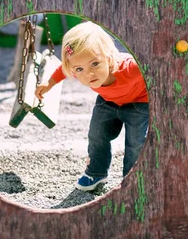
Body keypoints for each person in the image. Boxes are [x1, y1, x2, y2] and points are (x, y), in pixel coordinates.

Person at [35, 21, 149, 191]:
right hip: (107, 101)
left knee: (136, 143)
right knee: (97, 135)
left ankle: (132, 179)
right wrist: (49, 84)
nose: (88, 73)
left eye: (95, 64)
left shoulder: (131, 69)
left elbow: (155, 66)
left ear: (109, 58)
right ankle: (95, 173)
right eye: (79, 69)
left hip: (139, 102)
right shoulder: (77, 67)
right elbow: (63, 70)